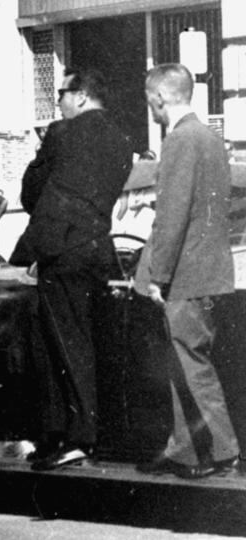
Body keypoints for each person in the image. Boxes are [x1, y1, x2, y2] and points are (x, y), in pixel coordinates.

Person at [14, 68, 132, 471]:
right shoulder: (122, 140)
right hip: (98, 246)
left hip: (61, 249)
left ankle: (75, 435)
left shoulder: (62, 133)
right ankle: (85, 429)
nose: (59, 102)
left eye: (62, 93)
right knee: (88, 339)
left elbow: (30, 193)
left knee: (63, 343)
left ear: (80, 96)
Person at [134, 63, 241, 479]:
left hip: (185, 275)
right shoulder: (211, 139)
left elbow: (172, 216)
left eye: (151, 103)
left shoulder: (179, 141)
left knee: (191, 364)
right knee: (187, 362)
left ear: (159, 97)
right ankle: (189, 452)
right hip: (209, 270)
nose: (152, 111)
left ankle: (221, 450)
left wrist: (157, 276)